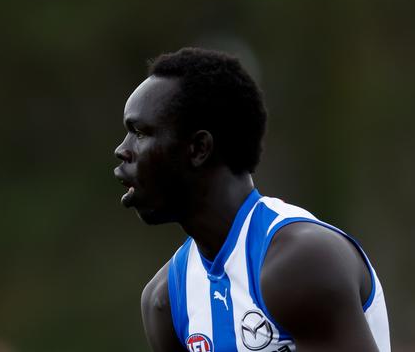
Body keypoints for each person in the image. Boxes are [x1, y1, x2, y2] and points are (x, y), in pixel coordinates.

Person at [114, 47, 390, 352]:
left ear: (198, 149)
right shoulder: (166, 300)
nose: (122, 150)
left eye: (139, 133)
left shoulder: (301, 262)